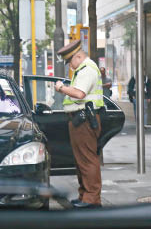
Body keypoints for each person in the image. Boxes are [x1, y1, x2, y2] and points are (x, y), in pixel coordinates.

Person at [54, 40, 104, 209]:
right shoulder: (82, 70)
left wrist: (62, 87)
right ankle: (84, 196)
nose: (70, 66)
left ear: (78, 56)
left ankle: (92, 199)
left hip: (85, 121)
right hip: (79, 120)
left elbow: (79, 94)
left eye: (70, 62)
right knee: (81, 160)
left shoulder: (87, 69)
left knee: (88, 159)